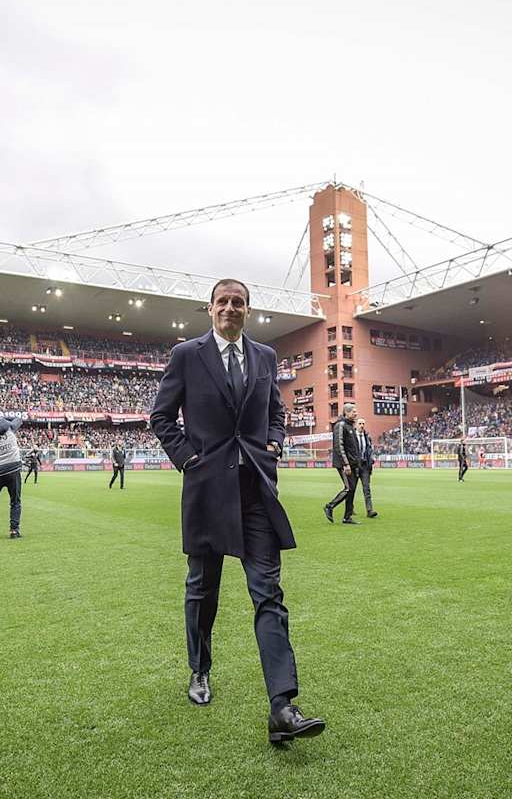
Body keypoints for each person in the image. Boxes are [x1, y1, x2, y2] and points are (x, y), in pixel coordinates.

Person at [151, 278, 324, 744]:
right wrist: (189, 458)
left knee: (269, 592)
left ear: (248, 311)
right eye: (223, 301)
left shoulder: (265, 357)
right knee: (203, 590)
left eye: (238, 303)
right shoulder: (187, 355)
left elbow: (277, 413)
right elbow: (161, 417)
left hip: (255, 491)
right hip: (207, 491)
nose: (230, 308)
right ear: (209, 309)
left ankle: (282, 706)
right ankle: (200, 670)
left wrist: (274, 444)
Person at [324, 404, 361, 524]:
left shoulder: (350, 426)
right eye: (354, 412)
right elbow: (338, 446)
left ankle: (347, 517)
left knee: (352, 489)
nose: (356, 413)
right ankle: (329, 506)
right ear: (346, 412)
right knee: (349, 488)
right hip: (345, 464)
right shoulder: (340, 425)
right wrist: (346, 464)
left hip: (353, 463)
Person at [355, 418, 378, 518]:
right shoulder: (352, 437)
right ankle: (349, 509)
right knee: (351, 489)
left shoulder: (367, 437)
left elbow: (369, 450)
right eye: (360, 423)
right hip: (354, 466)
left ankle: (369, 510)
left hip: (365, 466)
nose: (361, 425)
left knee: (366, 489)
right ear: (356, 425)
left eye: (363, 423)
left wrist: (371, 459)